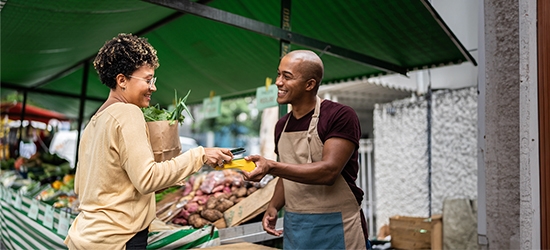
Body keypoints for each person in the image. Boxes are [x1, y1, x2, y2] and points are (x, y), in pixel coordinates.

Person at [64, 33, 234, 249]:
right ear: (122, 80)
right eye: (147, 79)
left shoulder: (94, 123)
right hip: (119, 238)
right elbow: (146, 180)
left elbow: (83, 186)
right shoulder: (128, 113)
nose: (153, 87)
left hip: (87, 236)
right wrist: (200, 155)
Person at [243, 50, 370, 249]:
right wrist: (274, 206)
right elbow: (287, 174)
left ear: (310, 84)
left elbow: (328, 172)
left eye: (287, 76)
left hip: (338, 227)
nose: (278, 82)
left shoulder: (340, 115)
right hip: (297, 227)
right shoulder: (282, 125)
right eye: (278, 74)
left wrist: (271, 166)